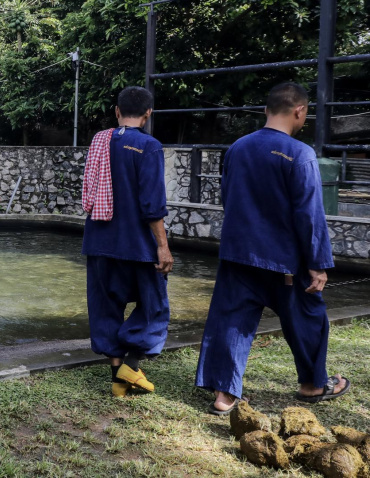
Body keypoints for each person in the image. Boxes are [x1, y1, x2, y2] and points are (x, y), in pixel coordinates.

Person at [195, 82, 350, 415]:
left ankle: (224, 395)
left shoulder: (237, 148)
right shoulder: (300, 154)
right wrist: (318, 262)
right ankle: (312, 385)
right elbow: (309, 215)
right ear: (300, 111)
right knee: (309, 317)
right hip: (284, 260)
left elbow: (228, 199)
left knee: (231, 322)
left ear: (267, 109)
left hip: (238, 253)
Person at [82, 86, 174, 398]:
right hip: (136, 244)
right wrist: (162, 245)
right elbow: (152, 204)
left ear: (117, 112)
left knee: (106, 306)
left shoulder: (99, 141)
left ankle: (118, 382)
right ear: (148, 114)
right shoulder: (148, 146)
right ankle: (131, 366)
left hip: (98, 239)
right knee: (154, 306)